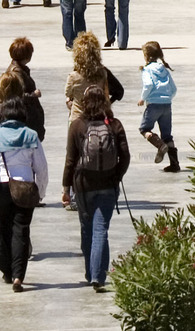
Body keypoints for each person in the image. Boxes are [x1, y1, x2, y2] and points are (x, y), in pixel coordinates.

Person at [0, 75, 50, 291]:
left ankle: (6, 270)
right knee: (22, 230)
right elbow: (41, 168)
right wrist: (41, 191)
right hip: (25, 187)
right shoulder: (32, 135)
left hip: (0, 187)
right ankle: (18, 276)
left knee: (3, 227)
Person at [63, 89, 131, 291]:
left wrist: (66, 188)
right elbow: (125, 156)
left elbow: (70, 160)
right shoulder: (115, 125)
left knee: (87, 229)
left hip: (83, 186)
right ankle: (98, 276)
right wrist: (116, 176)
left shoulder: (77, 126)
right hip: (108, 185)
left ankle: (91, 272)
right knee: (101, 230)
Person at [136, 41, 180, 172]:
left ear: (146, 56)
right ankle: (175, 164)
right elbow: (174, 89)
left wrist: (142, 98)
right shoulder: (164, 69)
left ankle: (160, 146)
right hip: (167, 105)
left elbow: (148, 85)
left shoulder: (147, 70)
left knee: (144, 129)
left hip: (153, 105)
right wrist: (167, 98)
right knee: (167, 135)